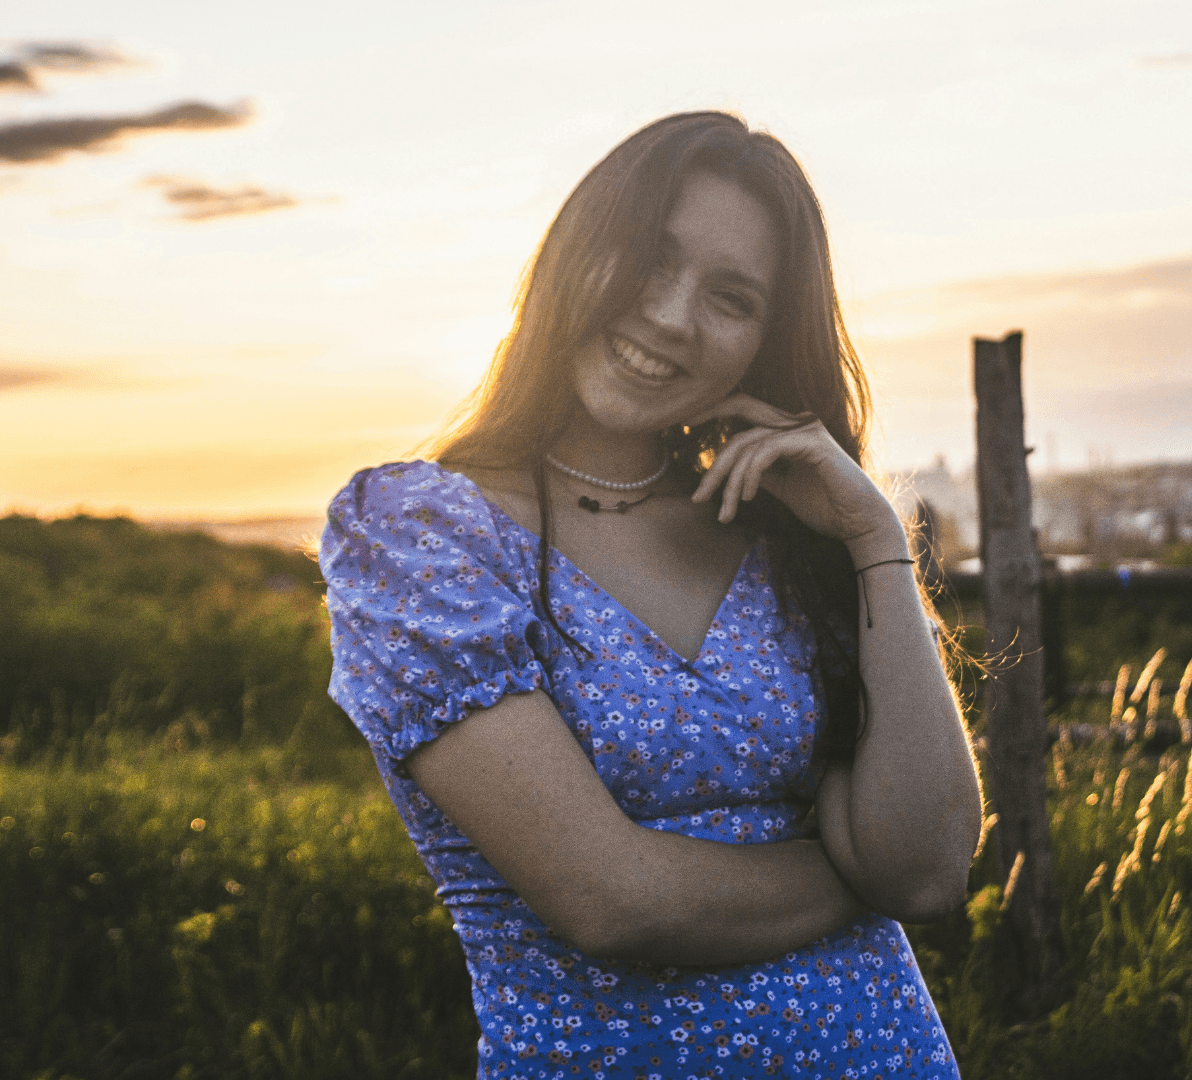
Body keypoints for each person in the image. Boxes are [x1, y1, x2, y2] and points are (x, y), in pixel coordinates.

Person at [320, 111, 983, 1078]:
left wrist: (874, 543)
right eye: (647, 256)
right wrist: (858, 880)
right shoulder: (418, 534)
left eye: (730, 297)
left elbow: (925, 860)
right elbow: (611, 900)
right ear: (570, 254)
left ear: (763, 342)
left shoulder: (784, 542)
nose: (671, 316)